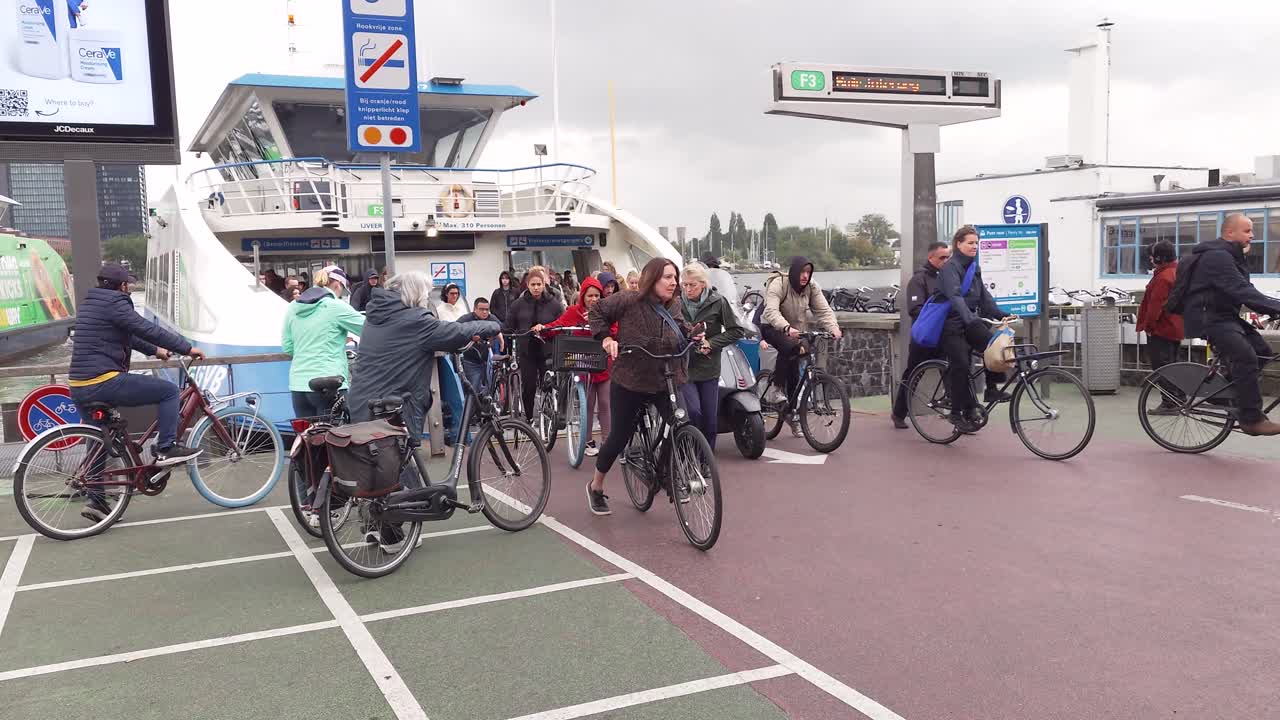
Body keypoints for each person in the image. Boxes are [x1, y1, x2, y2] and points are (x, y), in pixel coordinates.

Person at [347, 272, 500, 552]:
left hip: (362, 402)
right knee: (398, 466)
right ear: (415, 295)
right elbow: (453, 333)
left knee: (376, 464)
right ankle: (395, 535)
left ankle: (372, 526)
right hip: (394, 405)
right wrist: (489, 326)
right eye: (425, 294)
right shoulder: (416, 321)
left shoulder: (375, 316)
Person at [69, 264, 206, 520]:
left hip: (79, 386)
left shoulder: (92, 303)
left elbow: (127, 335)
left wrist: (156, 351)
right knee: (167, 391)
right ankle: (166, 447)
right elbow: (145, 328)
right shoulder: (117, 302)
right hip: (103, 381)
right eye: (128, 285)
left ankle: (97, 502)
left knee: (99, 441)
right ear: (122, 286)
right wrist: (187, 349)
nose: (129, 289)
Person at [587, 258, 700, 515]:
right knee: (618, 437)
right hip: (631, 379)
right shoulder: (629, 300)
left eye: (675, 278)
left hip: (665, 377)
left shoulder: (675, 305)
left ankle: (668, 475)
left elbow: (680, 329)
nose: (674, 283)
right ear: (652, 279)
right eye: (667, 277)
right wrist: (606, 338)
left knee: (682, 423)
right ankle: (596, 486)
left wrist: (694, 336)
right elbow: (597, 312)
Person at [1180, 213, 1280, 435]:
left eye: (1251, 231)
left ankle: (1227, 392)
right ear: (1229, 233)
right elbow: (1242, 291)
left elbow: (1247, 292)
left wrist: (1272, 308)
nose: (1252, 236)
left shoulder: (1232, 257)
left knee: (1262, 351)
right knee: (1246, 357)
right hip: (1209, 318)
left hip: (1224, 316)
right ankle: (1251, 419)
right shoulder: (1217, 257)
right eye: (1247, 231)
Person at [938, 226, 1013, 434]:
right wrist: (969, 318)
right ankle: (955, 412)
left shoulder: (974, 268)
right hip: (951, 325)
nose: (974, 246)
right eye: (970, 243)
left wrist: (1002, 314)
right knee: (961, 365)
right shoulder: (950, 268)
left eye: (976, 243)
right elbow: (955, 297)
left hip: (969, 321)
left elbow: (985, 300)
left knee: (995, 347)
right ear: (958, 244)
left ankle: (991, 389)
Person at [760, 256, 841, 436]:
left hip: (796, 330)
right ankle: (776, 389)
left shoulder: (812, 287)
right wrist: (786, 327)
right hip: (771, 326)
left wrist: (834, 328)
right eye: (802, 272)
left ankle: (791, 412)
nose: (805, 276)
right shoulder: (778, 284)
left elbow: (823, 310)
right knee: (788, 347)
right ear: (794, 272)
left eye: (808, 272)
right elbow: (771, 310)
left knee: (796, 369)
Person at [541, 276, 614, 456]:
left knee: (606, 403)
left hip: (603, 363)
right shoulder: (573, 312)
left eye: (597, 295)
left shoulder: (606, 311)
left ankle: (608, 441)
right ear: (583, 296)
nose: (593, 299)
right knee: (587, 404)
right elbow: (557, 325)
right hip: (581, 362)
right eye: (590, 295)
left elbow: (615, 330)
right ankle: (587, 441)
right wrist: (543, 328)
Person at [282, 265, 364, 419]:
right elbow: (369, 329)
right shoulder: (336, 307)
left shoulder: (293, 307)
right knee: (337, 439)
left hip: (299, 386)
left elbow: (287, 347)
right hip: (329, 385)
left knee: (307, 439)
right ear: (337, 284)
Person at [679, 262, 745, 450]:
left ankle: (706, 460)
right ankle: (690, 453)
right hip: (685, 367)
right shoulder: (676, 303)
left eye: (692, 285)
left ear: (703, 284)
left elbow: (736, 330)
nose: (688, 289)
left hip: (709, 368)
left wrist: (712, 343)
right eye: (684, 285)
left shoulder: (718, 301)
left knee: (710, 417)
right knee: (693, 412)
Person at [502, 266, 565, 422]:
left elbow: (562, 323)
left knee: (550, 384)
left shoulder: (554, 304)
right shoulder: (518, 304)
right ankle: (529, 416)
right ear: (528, 285)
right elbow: (508, 326)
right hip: (527, 351)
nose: (536, 288)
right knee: (529, 386)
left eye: (539, 284)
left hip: (547, 350)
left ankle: (552, 412)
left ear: (544, 284)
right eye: (533, 285)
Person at [1135, 240, 1185, 413]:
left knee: (1162, 368)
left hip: (1162, 329)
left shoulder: (1163, 277)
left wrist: (1148, 327)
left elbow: (1155, 307)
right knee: (1173, 365)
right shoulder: (1176, 272)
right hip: (1175, 328)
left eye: (1153, 256)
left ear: (1159, 258)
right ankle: (1179, 398)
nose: (1151, 259)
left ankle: (1169, 402)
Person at [457, 297, 504, 397]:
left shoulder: (492, 318)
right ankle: (471, 410)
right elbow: (456, 331)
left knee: (490, 388)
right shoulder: (466, 319)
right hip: (471, 360)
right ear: (474, 309)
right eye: (482, 309)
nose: (485, 312)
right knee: (473, 389)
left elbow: (502, 328)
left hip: (488, 360)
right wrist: (470, 336)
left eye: (487, 309)